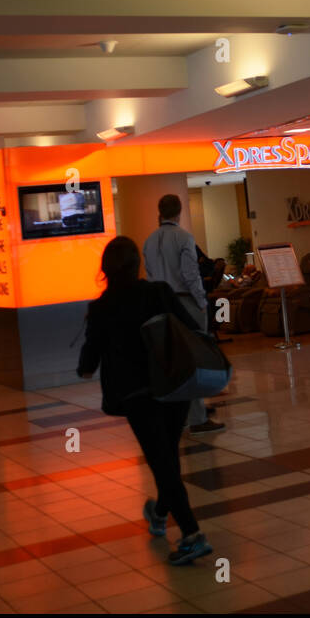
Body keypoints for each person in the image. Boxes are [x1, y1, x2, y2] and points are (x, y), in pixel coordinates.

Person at [76, 236, 214, 565]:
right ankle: (159, 512)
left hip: (137, 396)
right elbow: (192, 329)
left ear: (105, 270)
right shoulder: (159, 293)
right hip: (174, 388)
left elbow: (90, 357)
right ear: (137, 264)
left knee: (162, 463)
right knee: (167, 458)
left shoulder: (101, 307)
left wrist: (85, 367)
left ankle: (192, 534)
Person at [143, 195, 224, 434]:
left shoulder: (149, 241)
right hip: (185, 302)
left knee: (173, 361)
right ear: (179, 213)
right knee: (195, 360)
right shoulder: (184, 237)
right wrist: (202, 303)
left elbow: (150, 276)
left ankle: (183, 414)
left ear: (160, 212)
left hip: (161, 305)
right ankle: (198, 417)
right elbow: (191, 275)